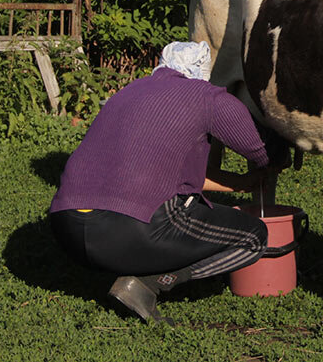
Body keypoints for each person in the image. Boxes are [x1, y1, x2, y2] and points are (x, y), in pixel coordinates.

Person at [48, 41, 287, 324]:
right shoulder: (206, 96)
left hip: (66, 230)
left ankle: (123, 270)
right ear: (202, 72)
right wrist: (281, 151)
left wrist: (238, 182)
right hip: (129, 231)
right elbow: (259, 150)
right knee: (253, 237)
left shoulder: (128, 92)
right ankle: (148, 284)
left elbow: (154, 172)